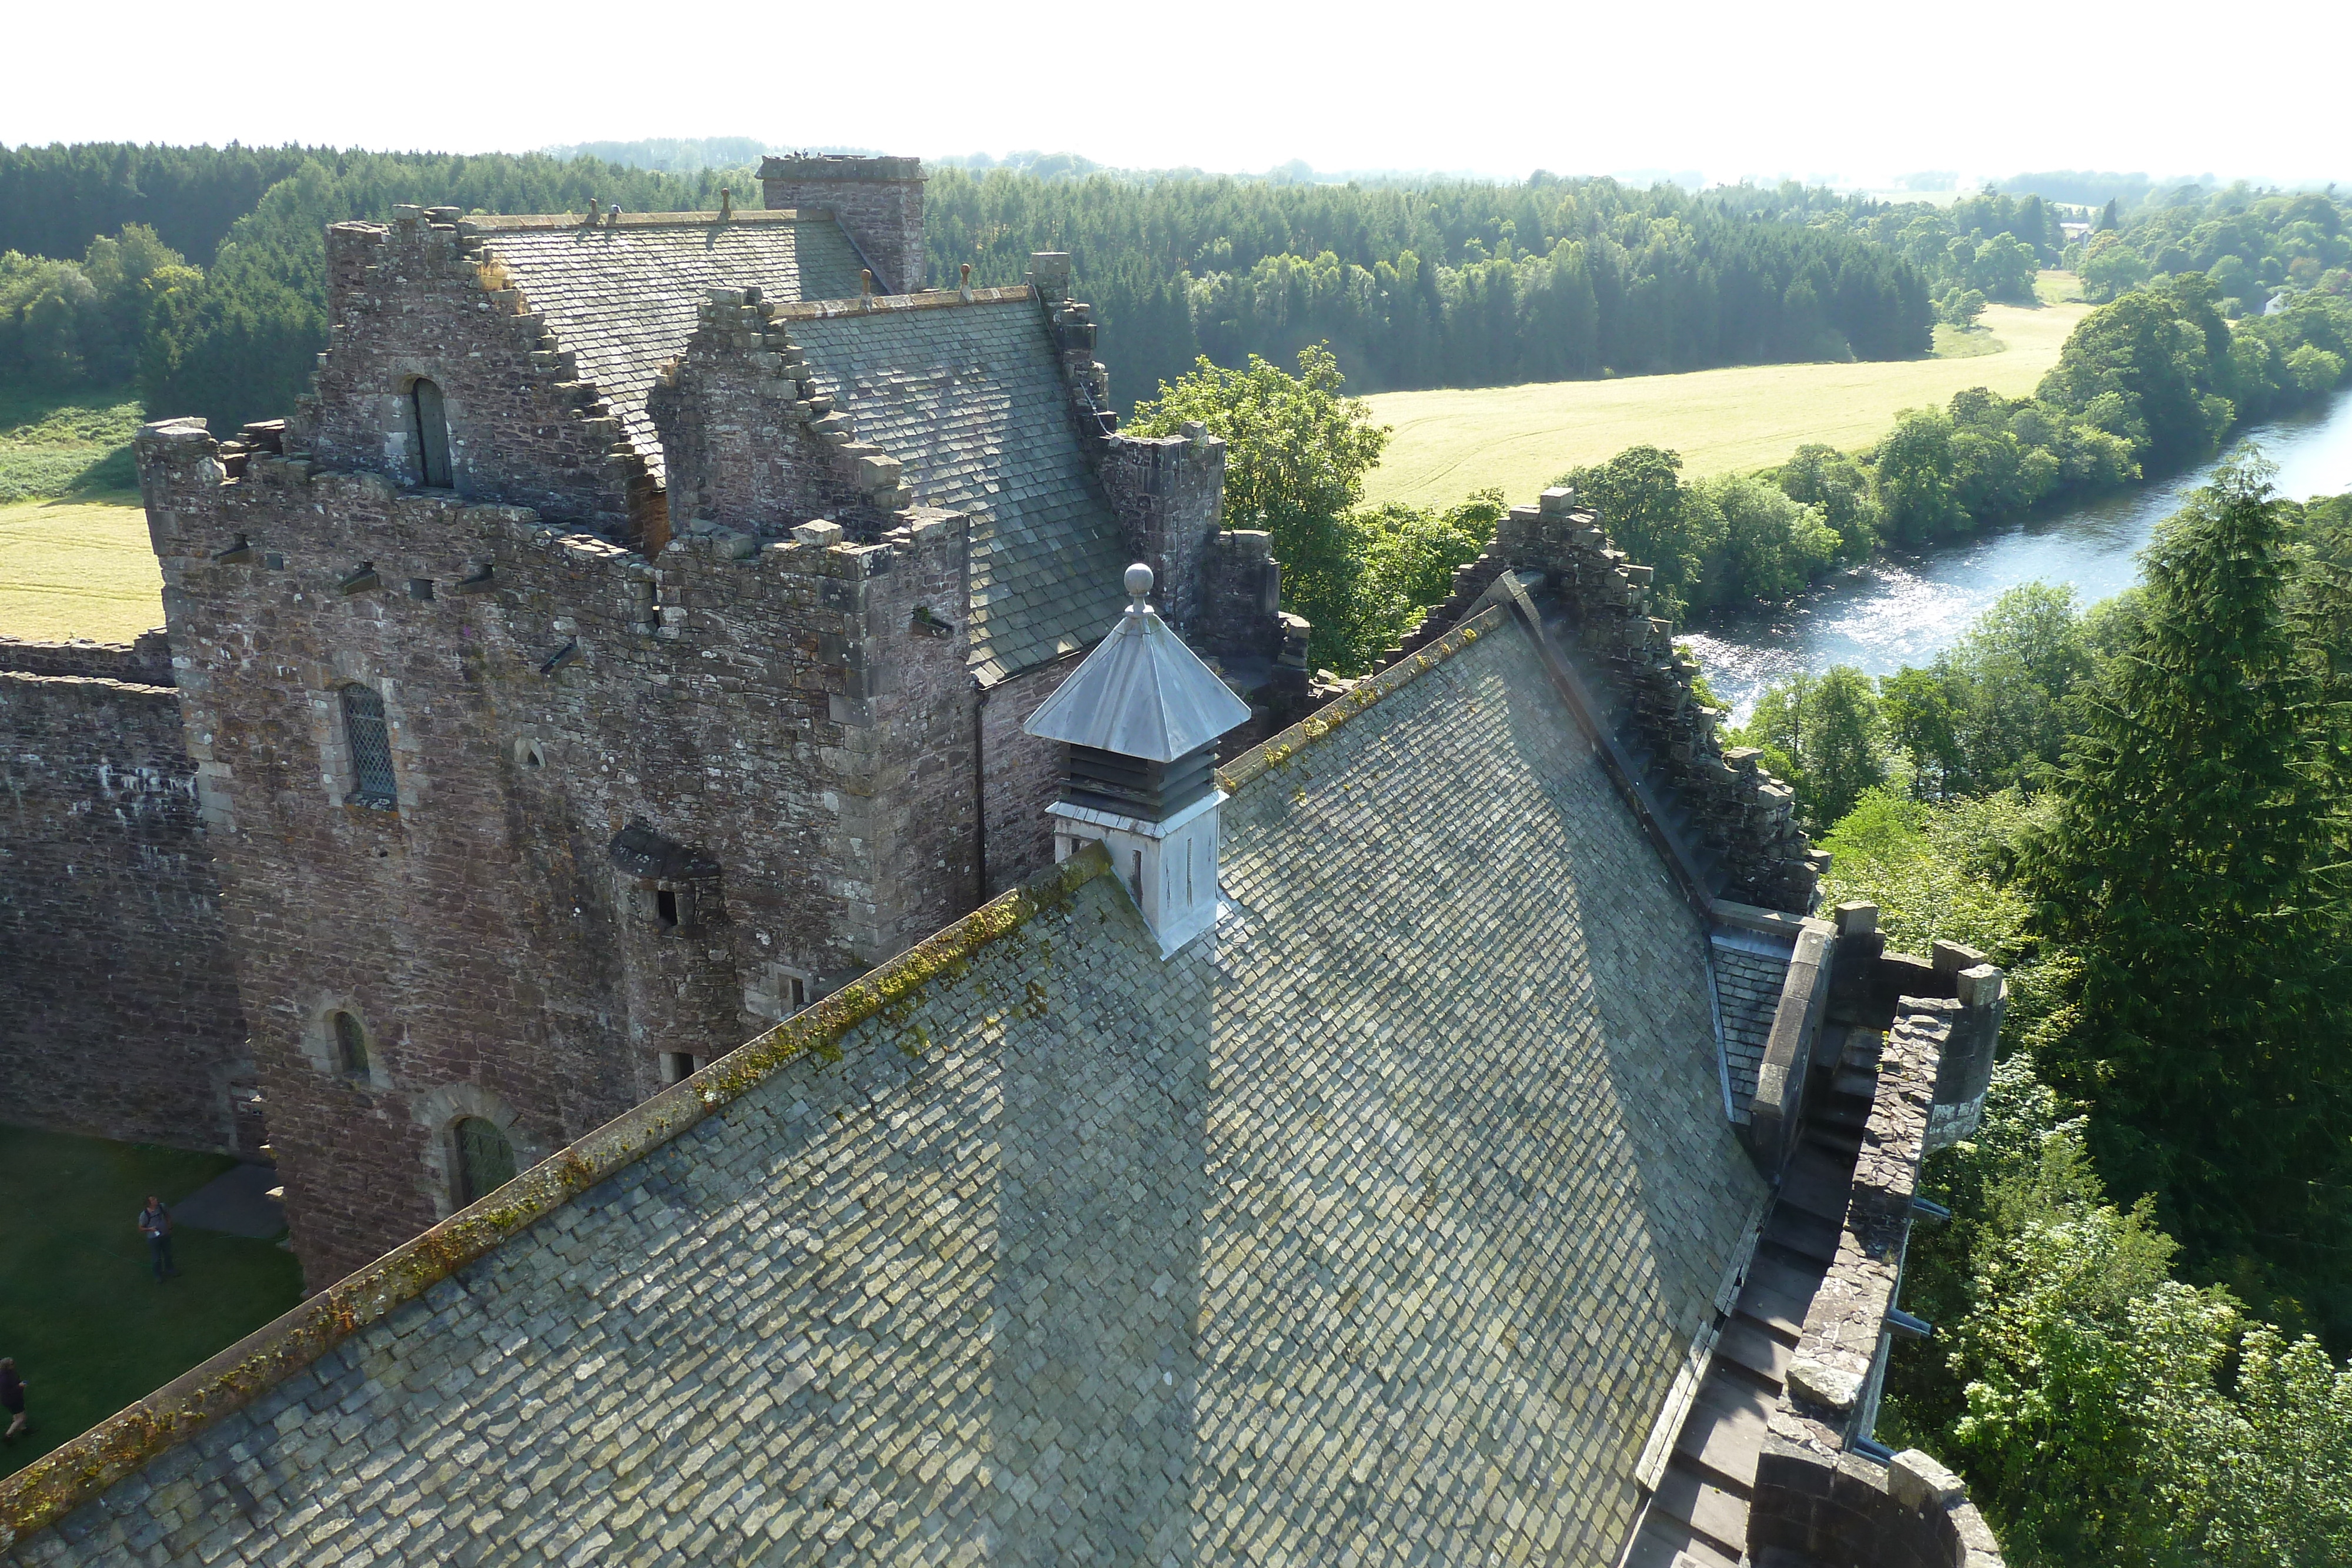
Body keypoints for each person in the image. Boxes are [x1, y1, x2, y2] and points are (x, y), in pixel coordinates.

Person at [138, 1195, 178, 1281]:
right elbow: (141, 1228)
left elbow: (167, 1216)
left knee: (168, 1254)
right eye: (153, 1200)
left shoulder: (161, 1207)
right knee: (156, 1258)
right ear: (150, 1203)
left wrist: (170, 1227)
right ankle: (158, 1275)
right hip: (154, 1239)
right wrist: (150, 1229)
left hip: (165, 1235)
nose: (156, 1200)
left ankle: (170, 1269)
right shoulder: (145, 1215)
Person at [0, 1358, 25, 1440]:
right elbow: (7, 1392)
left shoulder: (9, 1373)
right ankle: (8, 1435)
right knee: (21, 1418)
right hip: (12, 1400)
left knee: (17, 1416)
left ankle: (23, 1429)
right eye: (12, 1364)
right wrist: (19, 1386)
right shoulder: (4, 1379)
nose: (14, 1365)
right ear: (7, 1366)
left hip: (12, 1399)